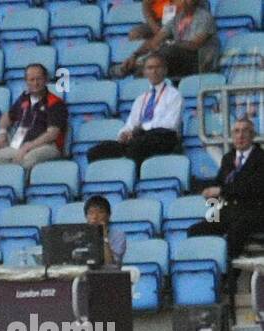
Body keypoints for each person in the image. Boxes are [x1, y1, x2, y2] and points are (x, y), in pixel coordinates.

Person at [186, 117, 264, 261]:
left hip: (253, 211)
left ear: (252, 135)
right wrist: (208, 190)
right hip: (229, 211)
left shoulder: (260, 158)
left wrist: (221, 191)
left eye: (245, 131)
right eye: (236, 131)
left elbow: (252, 188)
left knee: (235, 233)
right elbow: (220, 181)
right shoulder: (228, 158)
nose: (240, 135)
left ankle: (228, 278)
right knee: (196, 230)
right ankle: (208, 270)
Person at [86, 53, 182, 165]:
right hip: (140, 138)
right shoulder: (141, 99)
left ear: (165, 70)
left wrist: (142, 128)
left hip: (163, 137)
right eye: (150, 68)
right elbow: (131, 123)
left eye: (158, 67)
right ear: (145, 72)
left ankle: (134, 178)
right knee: (96, 152)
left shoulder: (174, 95)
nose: (154, 71)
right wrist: (124, 133)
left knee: (136, 146)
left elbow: (171, 124)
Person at [0, 63, 68, 171]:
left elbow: (52, 134)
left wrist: (28, 146)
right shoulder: (23, 99)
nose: (35, 83)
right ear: (26, 81)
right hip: (18, 145)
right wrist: (2, 133)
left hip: (45, 146)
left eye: (39, 79)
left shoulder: (55, 103)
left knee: (24, 163)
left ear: (46, 80)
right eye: (31, 80)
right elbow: (7, 116)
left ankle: (18, 187)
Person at [120, 0, 219, 77]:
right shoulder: (175, 19)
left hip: (199, 63)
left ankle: (141, 68)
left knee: (166, 52)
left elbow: (194, 45)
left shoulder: (205, 17)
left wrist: (171, 44)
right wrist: (135, 55)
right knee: (154, 57)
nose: (177, 2)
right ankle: (134, 68)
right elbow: (155, 41)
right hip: (177, 61)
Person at [84, 195, 127, 267]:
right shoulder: (81, 235)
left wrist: (104, 236)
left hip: (108, 276)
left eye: (100, 212)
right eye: (91, 213)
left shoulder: (118, 236)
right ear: (86, 217)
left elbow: (110, 264)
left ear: (108, 215)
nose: (95, 217)